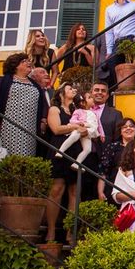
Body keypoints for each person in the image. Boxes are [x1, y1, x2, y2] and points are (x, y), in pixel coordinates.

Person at [45, 83, 84, 242]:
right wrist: (74, 126)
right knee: (56, 190)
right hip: (58, 149)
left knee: (74, 192)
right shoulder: (55, 109)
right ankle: (51, 230)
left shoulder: (78, 111)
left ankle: (70, 231)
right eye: (69, 89)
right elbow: (56, 129)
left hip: (75, 150)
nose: (73, 91)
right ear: (61, 93)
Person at [0, 53, 47, 157]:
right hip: (9, 128)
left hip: (30, 129)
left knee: (28, 157)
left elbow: (43, 104)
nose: (28, 62)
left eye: (28, 60)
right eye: (24, 61)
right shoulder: (4, 81)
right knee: (9, 158)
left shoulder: (35, 85)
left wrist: (43, 119)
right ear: (15, 65)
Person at [102, 0, 135, 89]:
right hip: (117, 42)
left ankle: (129, 90)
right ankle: (114, 95)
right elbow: (109, 31)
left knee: (130, 68)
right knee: (113, 67)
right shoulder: (109, 9)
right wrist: (109, 50)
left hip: (132, 39)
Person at [55, 92, 104, 171]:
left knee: (88, 149)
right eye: (90, 98)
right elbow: (72, 120)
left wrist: (101, 134)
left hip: (89, 132)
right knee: (74, 136)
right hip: (80, 128)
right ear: (82, 102)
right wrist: (78, 123)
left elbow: (99, 124)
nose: (92, 99)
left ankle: (77, 163)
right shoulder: (78, 111)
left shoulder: (94, 112)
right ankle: (60, 151)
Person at [98, 117, 135, 202]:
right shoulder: (112, 147)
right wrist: (100, 192)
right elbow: (103, 171)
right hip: (115, 189)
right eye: (124, 127)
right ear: (120, 131)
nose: (128, 128)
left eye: (131, 126)